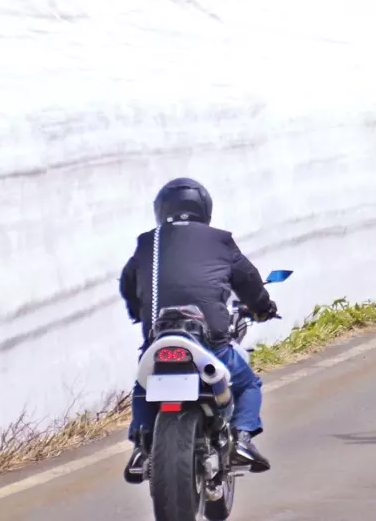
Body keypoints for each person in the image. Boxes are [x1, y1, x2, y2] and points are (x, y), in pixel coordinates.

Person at [118, 178, 278, 482]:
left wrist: (136, 313)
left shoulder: (147, 242)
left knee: (144, 384)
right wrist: (262, 308)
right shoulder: (220, 240)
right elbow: (248, 281)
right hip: (210, 342)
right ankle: (242, 440)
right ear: (204, 209)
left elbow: (128, 284)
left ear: (162, 209)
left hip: (160, 337)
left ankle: (141, 444)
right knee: (248, 384)